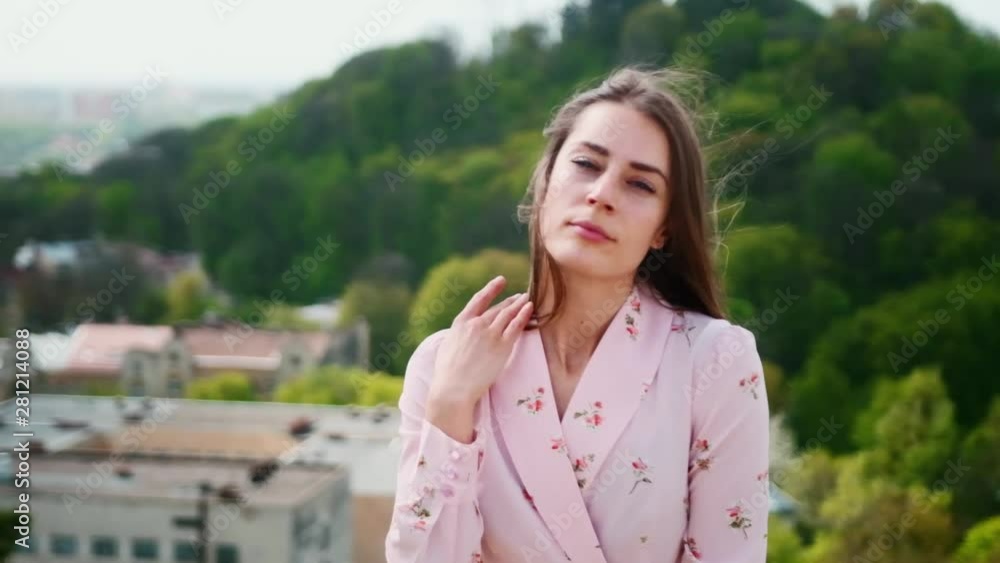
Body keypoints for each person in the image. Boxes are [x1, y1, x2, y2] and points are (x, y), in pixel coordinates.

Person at [385, 66, 770, 563]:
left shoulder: (715, 361)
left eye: (640, 185)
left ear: (664, 229)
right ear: (545, 179)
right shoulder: (443, 365)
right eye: (587, 164)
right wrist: (451, 406)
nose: (602, 194)